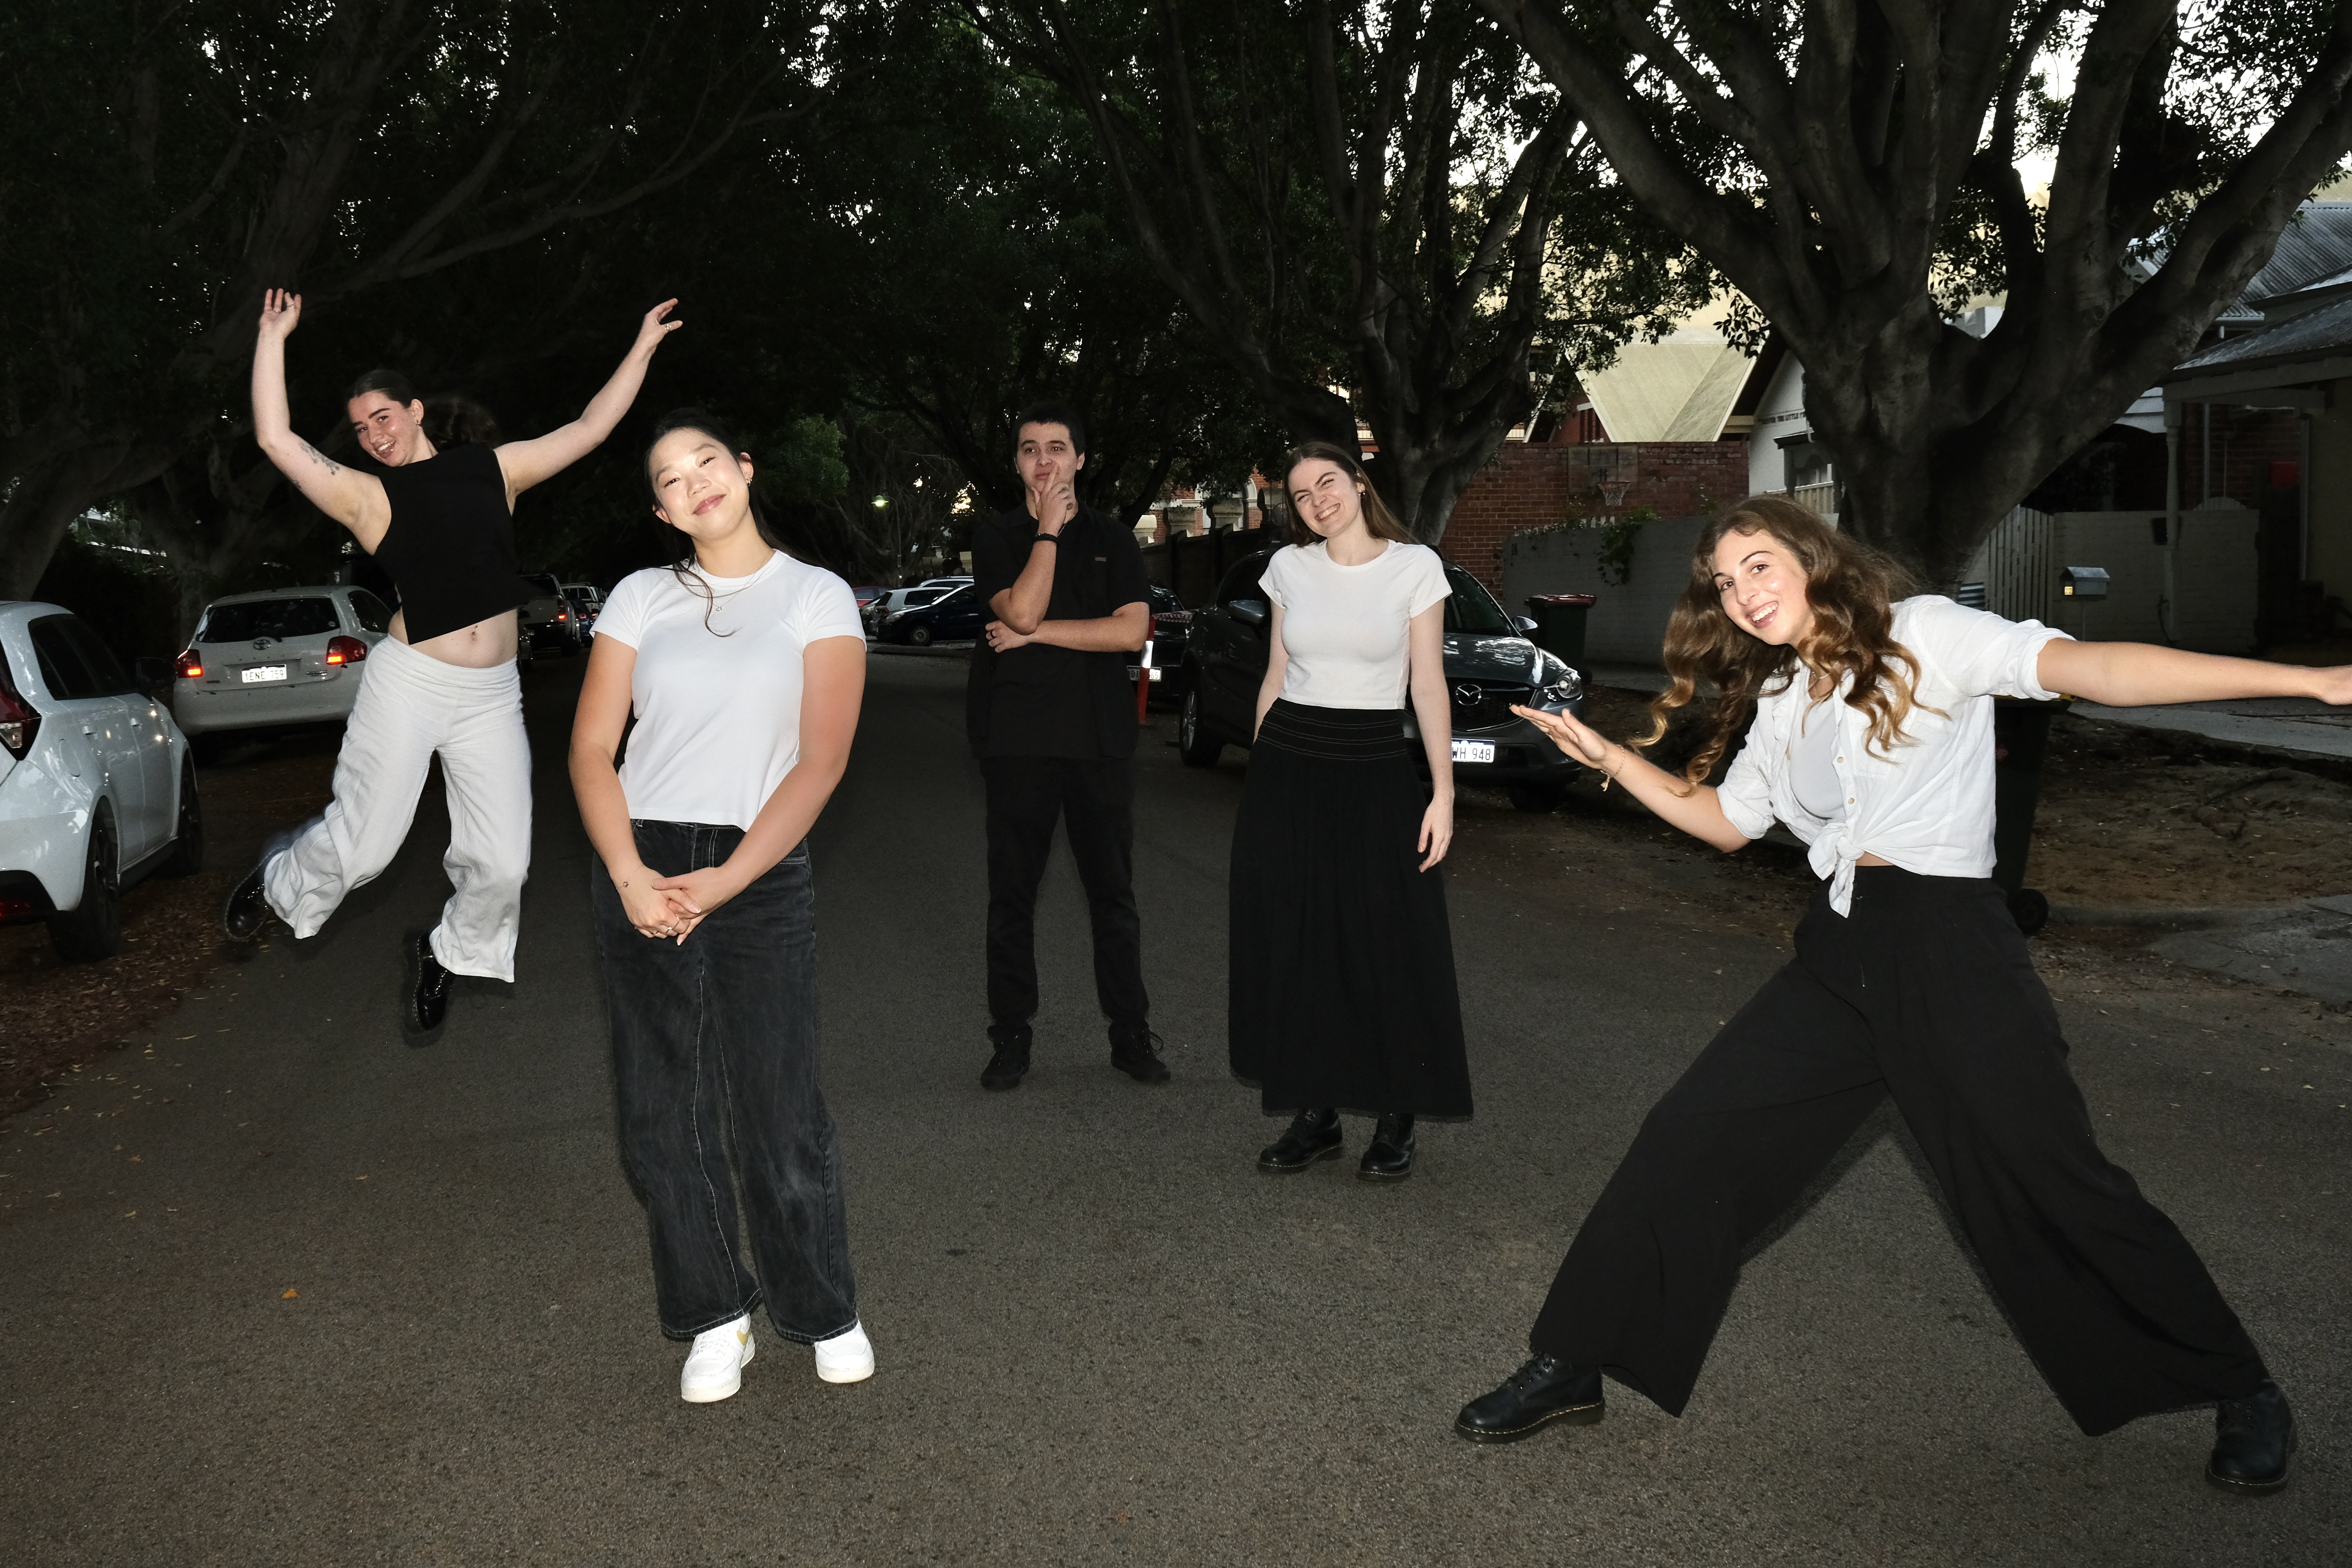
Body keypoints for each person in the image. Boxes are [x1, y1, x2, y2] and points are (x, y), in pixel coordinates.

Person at [1453, 495, 2317, 1494]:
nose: (1742, 593)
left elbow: (2095, 668)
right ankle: (1575, 1360)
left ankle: (2242, 1385)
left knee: (2053, 1183)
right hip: (1841, 949)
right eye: (1725, 583)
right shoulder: (1785, 693)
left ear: (1812, 557)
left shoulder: (1926, 634)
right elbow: (1730, 821)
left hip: (1951, 951)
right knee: (1689, 1137)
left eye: (1759, 565)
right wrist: (1612, 759)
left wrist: (2313, 681)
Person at [224, 288, 679, 1038]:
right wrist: (272, 335)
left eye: (383, 417)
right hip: (410, 683)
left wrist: (642, 346)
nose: (374, 435)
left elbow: (590, 428)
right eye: (361, 428)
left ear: (415, 412)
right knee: (368, 848)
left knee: (503, 864)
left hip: (492, 696)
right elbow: (276, 438)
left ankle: (447, 952)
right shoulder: (367, 497)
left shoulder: (492, 471)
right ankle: (282, 879)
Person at [569, 409, 873, 1404]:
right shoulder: (639, 597)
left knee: (778, 1106)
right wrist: (627, 872)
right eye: (669, 477)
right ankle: (715, 1312)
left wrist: (731, 878)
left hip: (759, 865)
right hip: (643, 859)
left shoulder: (815, 595)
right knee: (661, 1113)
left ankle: (820, 1305)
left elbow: (821, 760)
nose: (692, 480)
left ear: (743, 469)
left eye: (706, 459)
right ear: (662, 511)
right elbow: (591, 748)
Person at [1229, 441, 1470, 1180]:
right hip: (1288, 765)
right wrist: (1258, 779)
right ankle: (1317, 1112)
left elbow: (1426, 684)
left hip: (1373, 767)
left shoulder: (1414, 567)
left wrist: (1443, 792)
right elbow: (1276, 674)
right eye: (1302, 495)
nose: (1317, 501)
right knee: (1300, 940)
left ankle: (1398, 1112)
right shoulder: (1288, 568)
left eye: (1327, 483)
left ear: (1359, 484)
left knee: (1389, 939)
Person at [967, 403, 1166, 1089]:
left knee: (1113, 895)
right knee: (1011, 899)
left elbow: (1129, 632)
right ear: (1016, 463)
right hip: (1016, 742)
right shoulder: (995, 538)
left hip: (1098, 743)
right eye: (1029, 449)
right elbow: (1019, 608)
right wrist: (1047, 530)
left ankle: (1130, 1032)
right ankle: (1010, 1036)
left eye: (1057, 447)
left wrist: (1036, 636)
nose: (1044, 460)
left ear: (1081, 458)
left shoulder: (1115, 538)